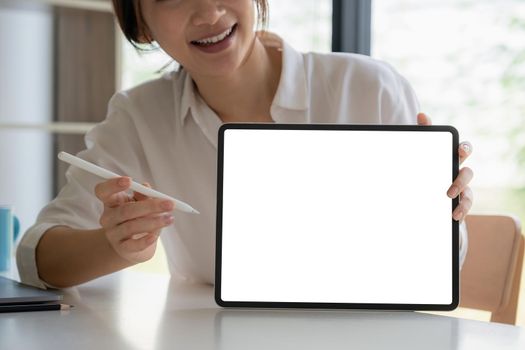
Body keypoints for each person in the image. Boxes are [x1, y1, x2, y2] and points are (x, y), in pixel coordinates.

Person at [17, 0, 473, 289]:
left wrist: (440, 214)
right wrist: (116, 246)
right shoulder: (139, 116)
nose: (208, 13)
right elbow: (36, 259)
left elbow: (441, 264)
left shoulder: (368, 87)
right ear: (141, 24)